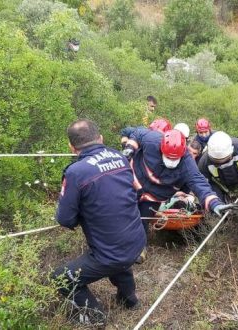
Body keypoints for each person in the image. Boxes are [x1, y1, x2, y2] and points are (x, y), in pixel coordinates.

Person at [53, 119, 146, 326]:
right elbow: (134, 192)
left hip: (112, 253)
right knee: (117, 254)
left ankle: (95, 317)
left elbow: (65, 219)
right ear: (101, 138)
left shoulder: (75, 172)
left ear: (71, 147)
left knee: (60, 277)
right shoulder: (120, 157)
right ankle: (129, 300)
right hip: (137, 241)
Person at [122, 128, 237, 235]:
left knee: (141, 222)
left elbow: (198, 182)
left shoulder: (187, 163)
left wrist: (214, 203)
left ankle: (138, 249)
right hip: (132, 184)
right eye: (168, 157)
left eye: (175, 158)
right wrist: (129, 147)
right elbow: (137, 133)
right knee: (120, 213)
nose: (171, 161)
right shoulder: (152, 140)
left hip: (153, 198)